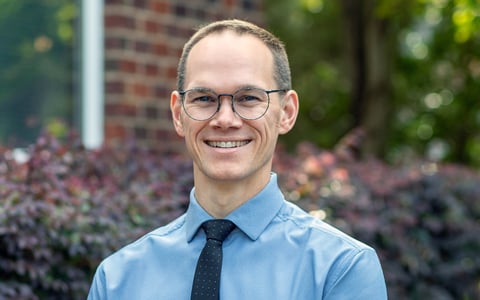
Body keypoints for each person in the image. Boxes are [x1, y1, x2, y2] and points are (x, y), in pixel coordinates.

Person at [87, 19, 388, 299]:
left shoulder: (339, 270)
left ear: (287, 113)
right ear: (178, 114)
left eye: (248, 98)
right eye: (204, 98)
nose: (225, 119)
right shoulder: (117, 279)